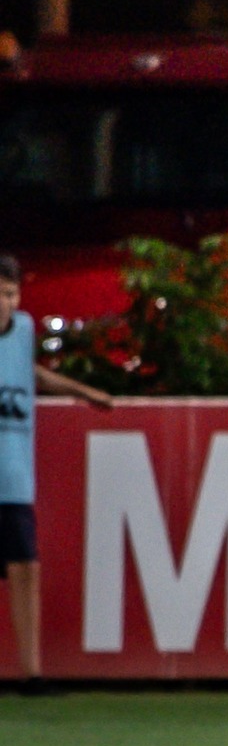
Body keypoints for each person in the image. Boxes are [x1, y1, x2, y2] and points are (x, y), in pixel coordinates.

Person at [0, 254, 114, 692]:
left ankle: (32, 672)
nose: (6, 303)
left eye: (11, 294)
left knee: (26, 569)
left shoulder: (24, 332)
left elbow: (30, 377)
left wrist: (85, 394)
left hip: (14, 477)